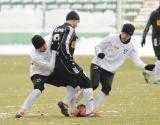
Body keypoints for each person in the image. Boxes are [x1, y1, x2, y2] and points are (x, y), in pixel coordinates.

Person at [90, 23, 155, 108]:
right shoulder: (112, 38)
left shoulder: (131, 47)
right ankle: (75, 100)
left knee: (107, 88)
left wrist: (145, 66)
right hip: (98, 64)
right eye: (123, 33)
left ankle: (91, 109)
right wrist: (99, 53)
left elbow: (136, 61)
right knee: (94, 84)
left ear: (131, 35)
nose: (124, 36)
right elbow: (97, 47)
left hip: (110, 71)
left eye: (127, 34)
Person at [51, 10, 98, 117]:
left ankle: (69, 106)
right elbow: (64, 45)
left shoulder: (56, 29)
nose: (77, 24)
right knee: (87, 82)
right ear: (73, 20)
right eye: (77, 22)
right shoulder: (70, 29)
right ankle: (90, 112)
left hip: (56, 63)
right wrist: (69, 60)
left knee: (73, 85)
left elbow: (53, 46)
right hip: (65, 62)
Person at [141, 6, 160, 84]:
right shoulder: (154, 14)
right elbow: (147, 25)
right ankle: (157, 79)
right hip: (156, 39)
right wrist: (143, 37)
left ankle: (147, 70)